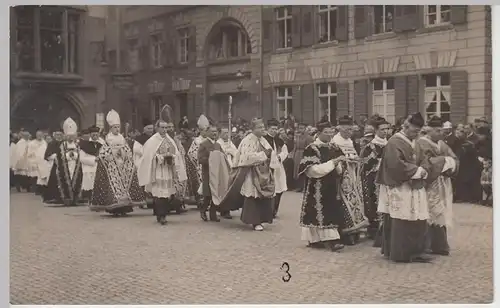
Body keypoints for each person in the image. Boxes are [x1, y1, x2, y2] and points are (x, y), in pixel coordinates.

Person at [377, 112, 432, 263]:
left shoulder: (416, 141)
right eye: (414, 131)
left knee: (418, 216)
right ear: (405, 127)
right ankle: (400, 252)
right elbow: (395, 165)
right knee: (402, 217)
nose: (417, 134)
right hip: (400, 186)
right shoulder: (394, 142)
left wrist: (424, 168)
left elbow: (425, 158)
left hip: (415, 184)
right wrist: (417, 171)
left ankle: (417, 250)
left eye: (418, 131)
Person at [218, 118, 279, 231]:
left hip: (263, 171)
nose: (262, 129)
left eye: (263, 127)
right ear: (253, 129)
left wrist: (270, 156)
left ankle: (262, 218)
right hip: (251, 173)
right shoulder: (247, 141)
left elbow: (270, 152)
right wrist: (263, 155)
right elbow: (246, 158)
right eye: (259, 127)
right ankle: (254, 221)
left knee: (263, 195)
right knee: (253, 195)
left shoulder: (263, 140)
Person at [299, 122, 345, 251]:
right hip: (317, 186)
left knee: (331, 209)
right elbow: (312, 170)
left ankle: (328, 238)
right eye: (326, 132)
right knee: (318, 210)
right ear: (318, 133)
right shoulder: (312, 148)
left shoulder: (334, 147)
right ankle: (325, 240)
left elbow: (341, 165)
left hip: (332, 185)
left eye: (331, 132)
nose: (330, 135)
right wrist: (332, 163)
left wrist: (340, 165)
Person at [89, 110, 145, 216]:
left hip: (123, 165)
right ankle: (114, 208)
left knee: (124, 187)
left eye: (118, 127)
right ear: (110, 128)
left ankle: (124, 208)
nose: (117, 129)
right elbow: (103, 153)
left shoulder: (122, 138)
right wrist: (109, 156)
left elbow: (127, 150)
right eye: (115, 127)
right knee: (114, 187)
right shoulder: (108, 139)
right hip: (112, 167)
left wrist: (126, 155)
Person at [415, 116, 457, 256]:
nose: (441, 134)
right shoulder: (421, 143)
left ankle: (440, 244)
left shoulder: (442, 144)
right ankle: (426, 245)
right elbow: (423, 162)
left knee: (441, 211)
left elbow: (454, 157)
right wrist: (443, 161)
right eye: (438, 131)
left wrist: (451, 163)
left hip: (442, 182)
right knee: (428, 211)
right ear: (429, 130)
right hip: (429, 183)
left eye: (442, 131)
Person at [138, 120, 188, 225]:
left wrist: (172, 157)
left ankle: (163, 214)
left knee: (166, 194)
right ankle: (160, 215)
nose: (165, 130)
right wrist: (160, 158)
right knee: (159, 194)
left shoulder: (169, 140)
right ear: (157, 128)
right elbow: (148, 156)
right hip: (157, 170)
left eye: (166, 128)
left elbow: (176, 154)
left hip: (168, 170)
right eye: (163, 128)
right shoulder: (152, 141)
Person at [330, 115, 369, 245]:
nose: (349, 133)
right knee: (344, 204)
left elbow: (355, 155)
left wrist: (356, 160)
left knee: (356, 202)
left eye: (351, 130)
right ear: (340, 129)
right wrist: (346, 161)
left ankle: (355, 231)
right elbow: (335, 160)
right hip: (342, 177)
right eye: (347, 130)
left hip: (353, 175)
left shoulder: (350, 141)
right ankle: (345, 233)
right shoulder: (335, 142)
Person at [43, 118, 93, 206]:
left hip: (75, 166)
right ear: (66, 136)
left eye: (72, 136)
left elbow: (80, 154)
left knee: (76, 180)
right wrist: (67, 156)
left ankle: (75, 198)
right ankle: (65, 198)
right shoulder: (62, 145)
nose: (71, 137)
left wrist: (75, 156)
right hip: (65, 166)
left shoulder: (77, 145)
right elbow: (59, 155)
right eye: (69, 136)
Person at [360, 116, 390, 244]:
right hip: (374, 179)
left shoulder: (390, 144)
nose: (385, 132)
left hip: (389, 178)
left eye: (387, 129)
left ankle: (387, 228)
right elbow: (364, 164)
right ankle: (374, 229)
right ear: (376, 130)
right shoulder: (370, 147)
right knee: (374, 202)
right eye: (382, 129)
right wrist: (379, 163)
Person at [263, 119, 288, 218]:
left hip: (278, 167)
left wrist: (280, 157)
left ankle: (275, 210)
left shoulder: (279, 140)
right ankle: (268, 210)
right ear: (268, 128)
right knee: (269, 188)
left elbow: (285, 151)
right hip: (267, 166)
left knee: (279, 188)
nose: (274, 131)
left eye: (275, 129)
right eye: (272, 129)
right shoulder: (263, 140)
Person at [198, 125, 223, 222]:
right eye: (212, 131)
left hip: (216, 173)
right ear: (207, 132)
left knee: (215, 194)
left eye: (215, 131)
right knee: (208, 194)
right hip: (208, 173)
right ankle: (203, 210)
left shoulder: (218, 145)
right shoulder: (203, 144)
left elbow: (222, 157)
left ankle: (213, 214)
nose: (214, 133)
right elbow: (200, 159)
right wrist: (210, 160)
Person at [453, 125, 482, 203]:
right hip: (463, 164)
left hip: (470, 164)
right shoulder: (457, 142)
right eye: (457, 132)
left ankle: (472, 197)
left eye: (460, 132)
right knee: (462, 180)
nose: (458, 134)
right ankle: (463, 197)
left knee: (469, 180)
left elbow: (471, 153)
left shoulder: (468, 144)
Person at [186, 115, 209, 208]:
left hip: (209, 164)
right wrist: (200, 159)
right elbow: (191, 153)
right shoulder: (197, 141)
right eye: (204, 130)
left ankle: (208, 202)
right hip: (200, 166)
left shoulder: (210, 140)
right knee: (201, 183)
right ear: (200, 130)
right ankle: (201, 202)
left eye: (207, 130)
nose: (206, 132)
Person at [79, 125, 105, 203]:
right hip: (88, 169)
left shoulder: (101, 144)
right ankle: (90, 201)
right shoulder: (84, 145)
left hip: (99, 168)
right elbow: (82, 159)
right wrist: (94, 159)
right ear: (90, 135)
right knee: (90, 187)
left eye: (97, 135)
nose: (95, 136)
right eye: (93, 135)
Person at [291, 122, 313, 192]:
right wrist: (293, 154)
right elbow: (295, 146)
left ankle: (305, 187)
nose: (300, 130)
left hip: (304, 154)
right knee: (297, 170)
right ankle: (298, 186)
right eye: (299, 128)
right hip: (297, 154)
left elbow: (309, 147)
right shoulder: (297, 136)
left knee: (303, 169)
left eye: (302, 128)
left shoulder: (308, 137)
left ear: (305, 129)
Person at [27, 130, 48, 195]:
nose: (39, 136)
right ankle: (35, 189)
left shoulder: (44, 142)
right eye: (38, 135)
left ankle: (42, 189)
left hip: (43, 162)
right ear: (36, 135)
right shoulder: (32, 143)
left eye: (40, 135)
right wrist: (32, 161)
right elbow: (29, 153)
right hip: (35, 161)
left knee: (43, 176)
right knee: (35, 175)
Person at [476, 126, 492, 206]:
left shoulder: (490, 142)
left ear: (485, 135)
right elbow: (475, 150)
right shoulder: (478, 142)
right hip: (479, 164)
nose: (478, 136)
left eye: (480, 135)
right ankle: (482, 198)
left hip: (489, 165)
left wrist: (486, 159)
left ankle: (489, 199)